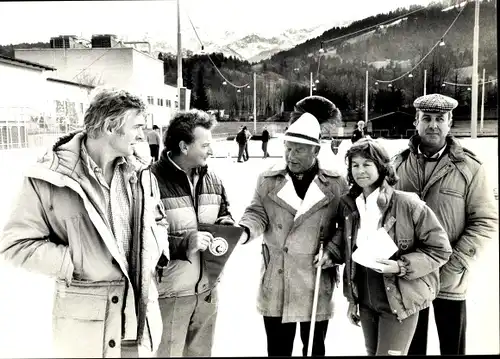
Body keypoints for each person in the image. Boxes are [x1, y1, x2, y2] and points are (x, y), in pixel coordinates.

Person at [0, 88, 170, 357]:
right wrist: (78, 263)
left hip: (140, 324)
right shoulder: (48, 177)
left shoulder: (142, 172)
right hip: (86, 330)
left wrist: (155, 250)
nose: (142, 135)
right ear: (109, 127)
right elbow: (14, 246)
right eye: (137, 127)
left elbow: (160, 220)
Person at [317, 138, 452, 355]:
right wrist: (331, 254)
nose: (360, 170)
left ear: (381, 166)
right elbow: (346, 238)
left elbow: (440, 249)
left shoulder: (408, 204)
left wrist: (401, 266)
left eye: (367, 164)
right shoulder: (349, 205)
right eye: (355, 165)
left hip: (397, 301)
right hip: (366, 300)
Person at [238, 96, 349, 356]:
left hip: (316, 275)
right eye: (288, 148)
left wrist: (333, 251)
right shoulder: (267, 179)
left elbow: (346, 225)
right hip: (278, 275)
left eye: (299, 149)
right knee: (277, 349)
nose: (291, 155)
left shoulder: (335, 184)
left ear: (316, 151)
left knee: (314, 348)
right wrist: (244, 230)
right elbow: (256, 213)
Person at [392, 93, 498, 355]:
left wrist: (456, 262)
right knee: (411, 349)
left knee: (452, 349)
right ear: (416, 122)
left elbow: (484, 221)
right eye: (426, 118)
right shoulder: (397, 165)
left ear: (450, 123)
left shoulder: (469, 167)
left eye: (440, 119)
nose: (433, 125)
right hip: (410, 278)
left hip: (450, 278)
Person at [151, 109, 235, 357]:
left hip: (208, 292)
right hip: (170, 294)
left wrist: (226, 226)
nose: (211, 150)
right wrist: (183, 244)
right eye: (205, 144)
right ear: (183, 146)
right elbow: (140, 238)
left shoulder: (213, 179)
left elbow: (225, 213)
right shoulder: (149, 181)